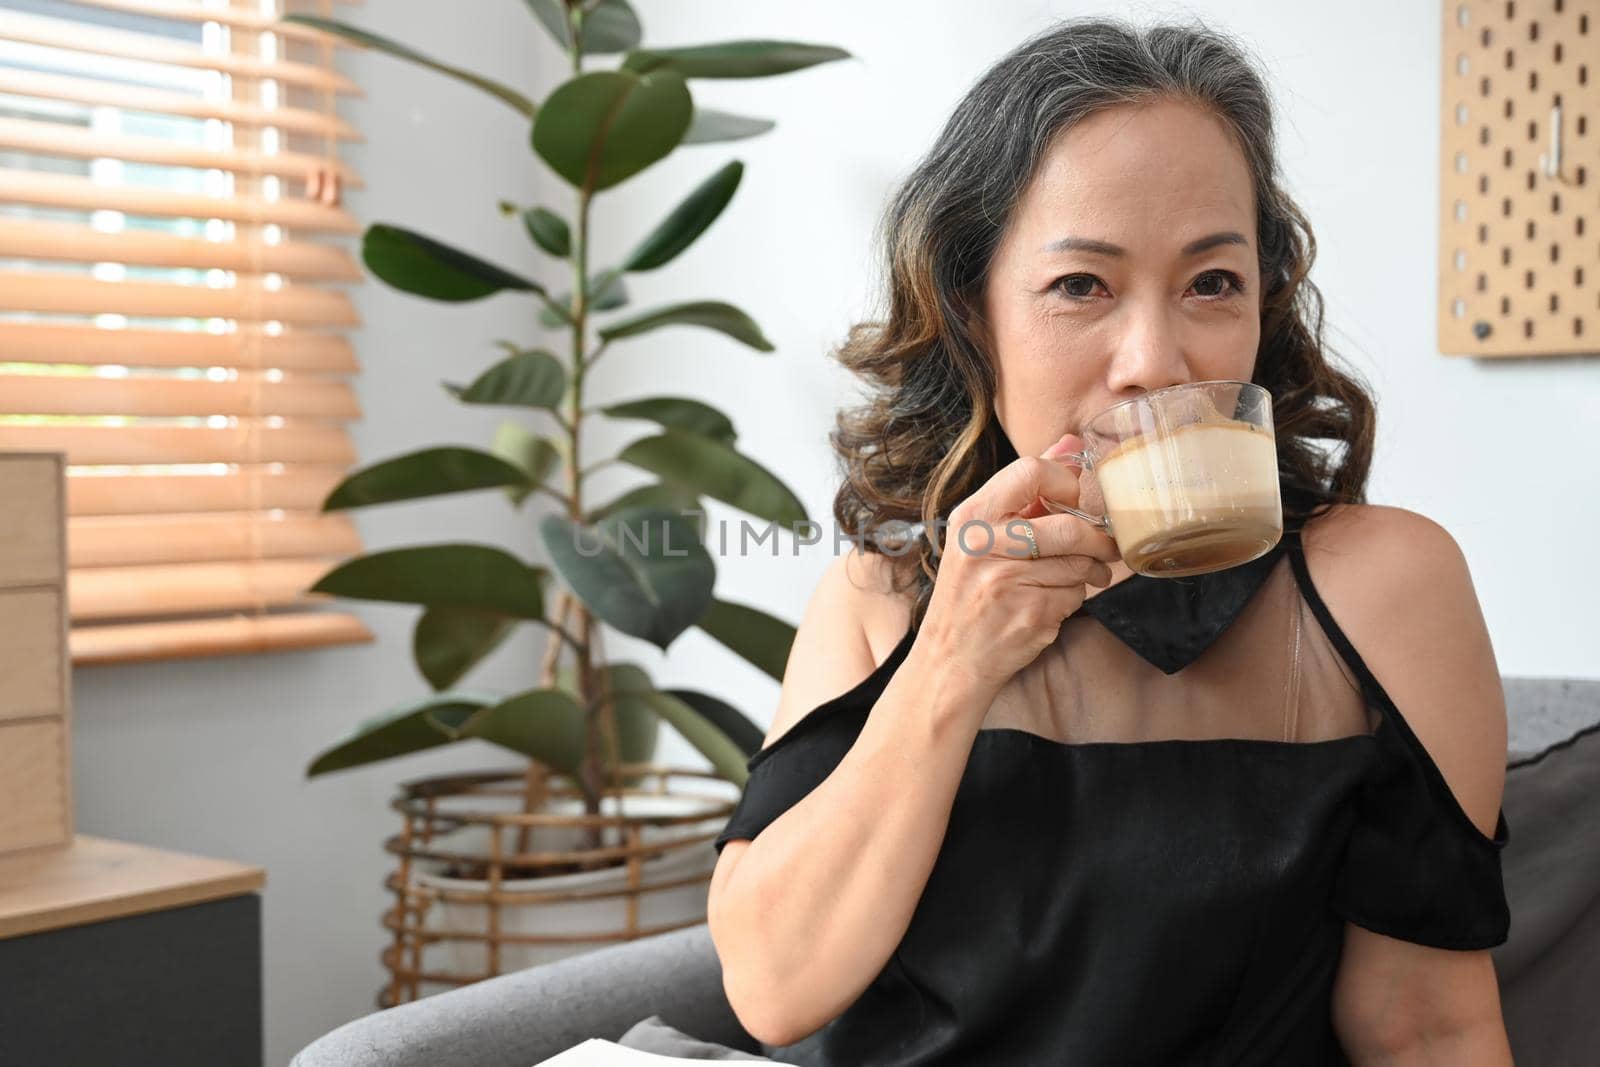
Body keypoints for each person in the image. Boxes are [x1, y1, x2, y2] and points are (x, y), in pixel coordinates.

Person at [705, 16, 1512, 1066]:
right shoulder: (879, 596)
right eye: (1081, 285)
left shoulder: (1381, 587)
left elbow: (1423, 1025)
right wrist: (953, 656)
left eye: (1210, 282)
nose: (1154, 360)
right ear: (971, 309)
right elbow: (774, 989)